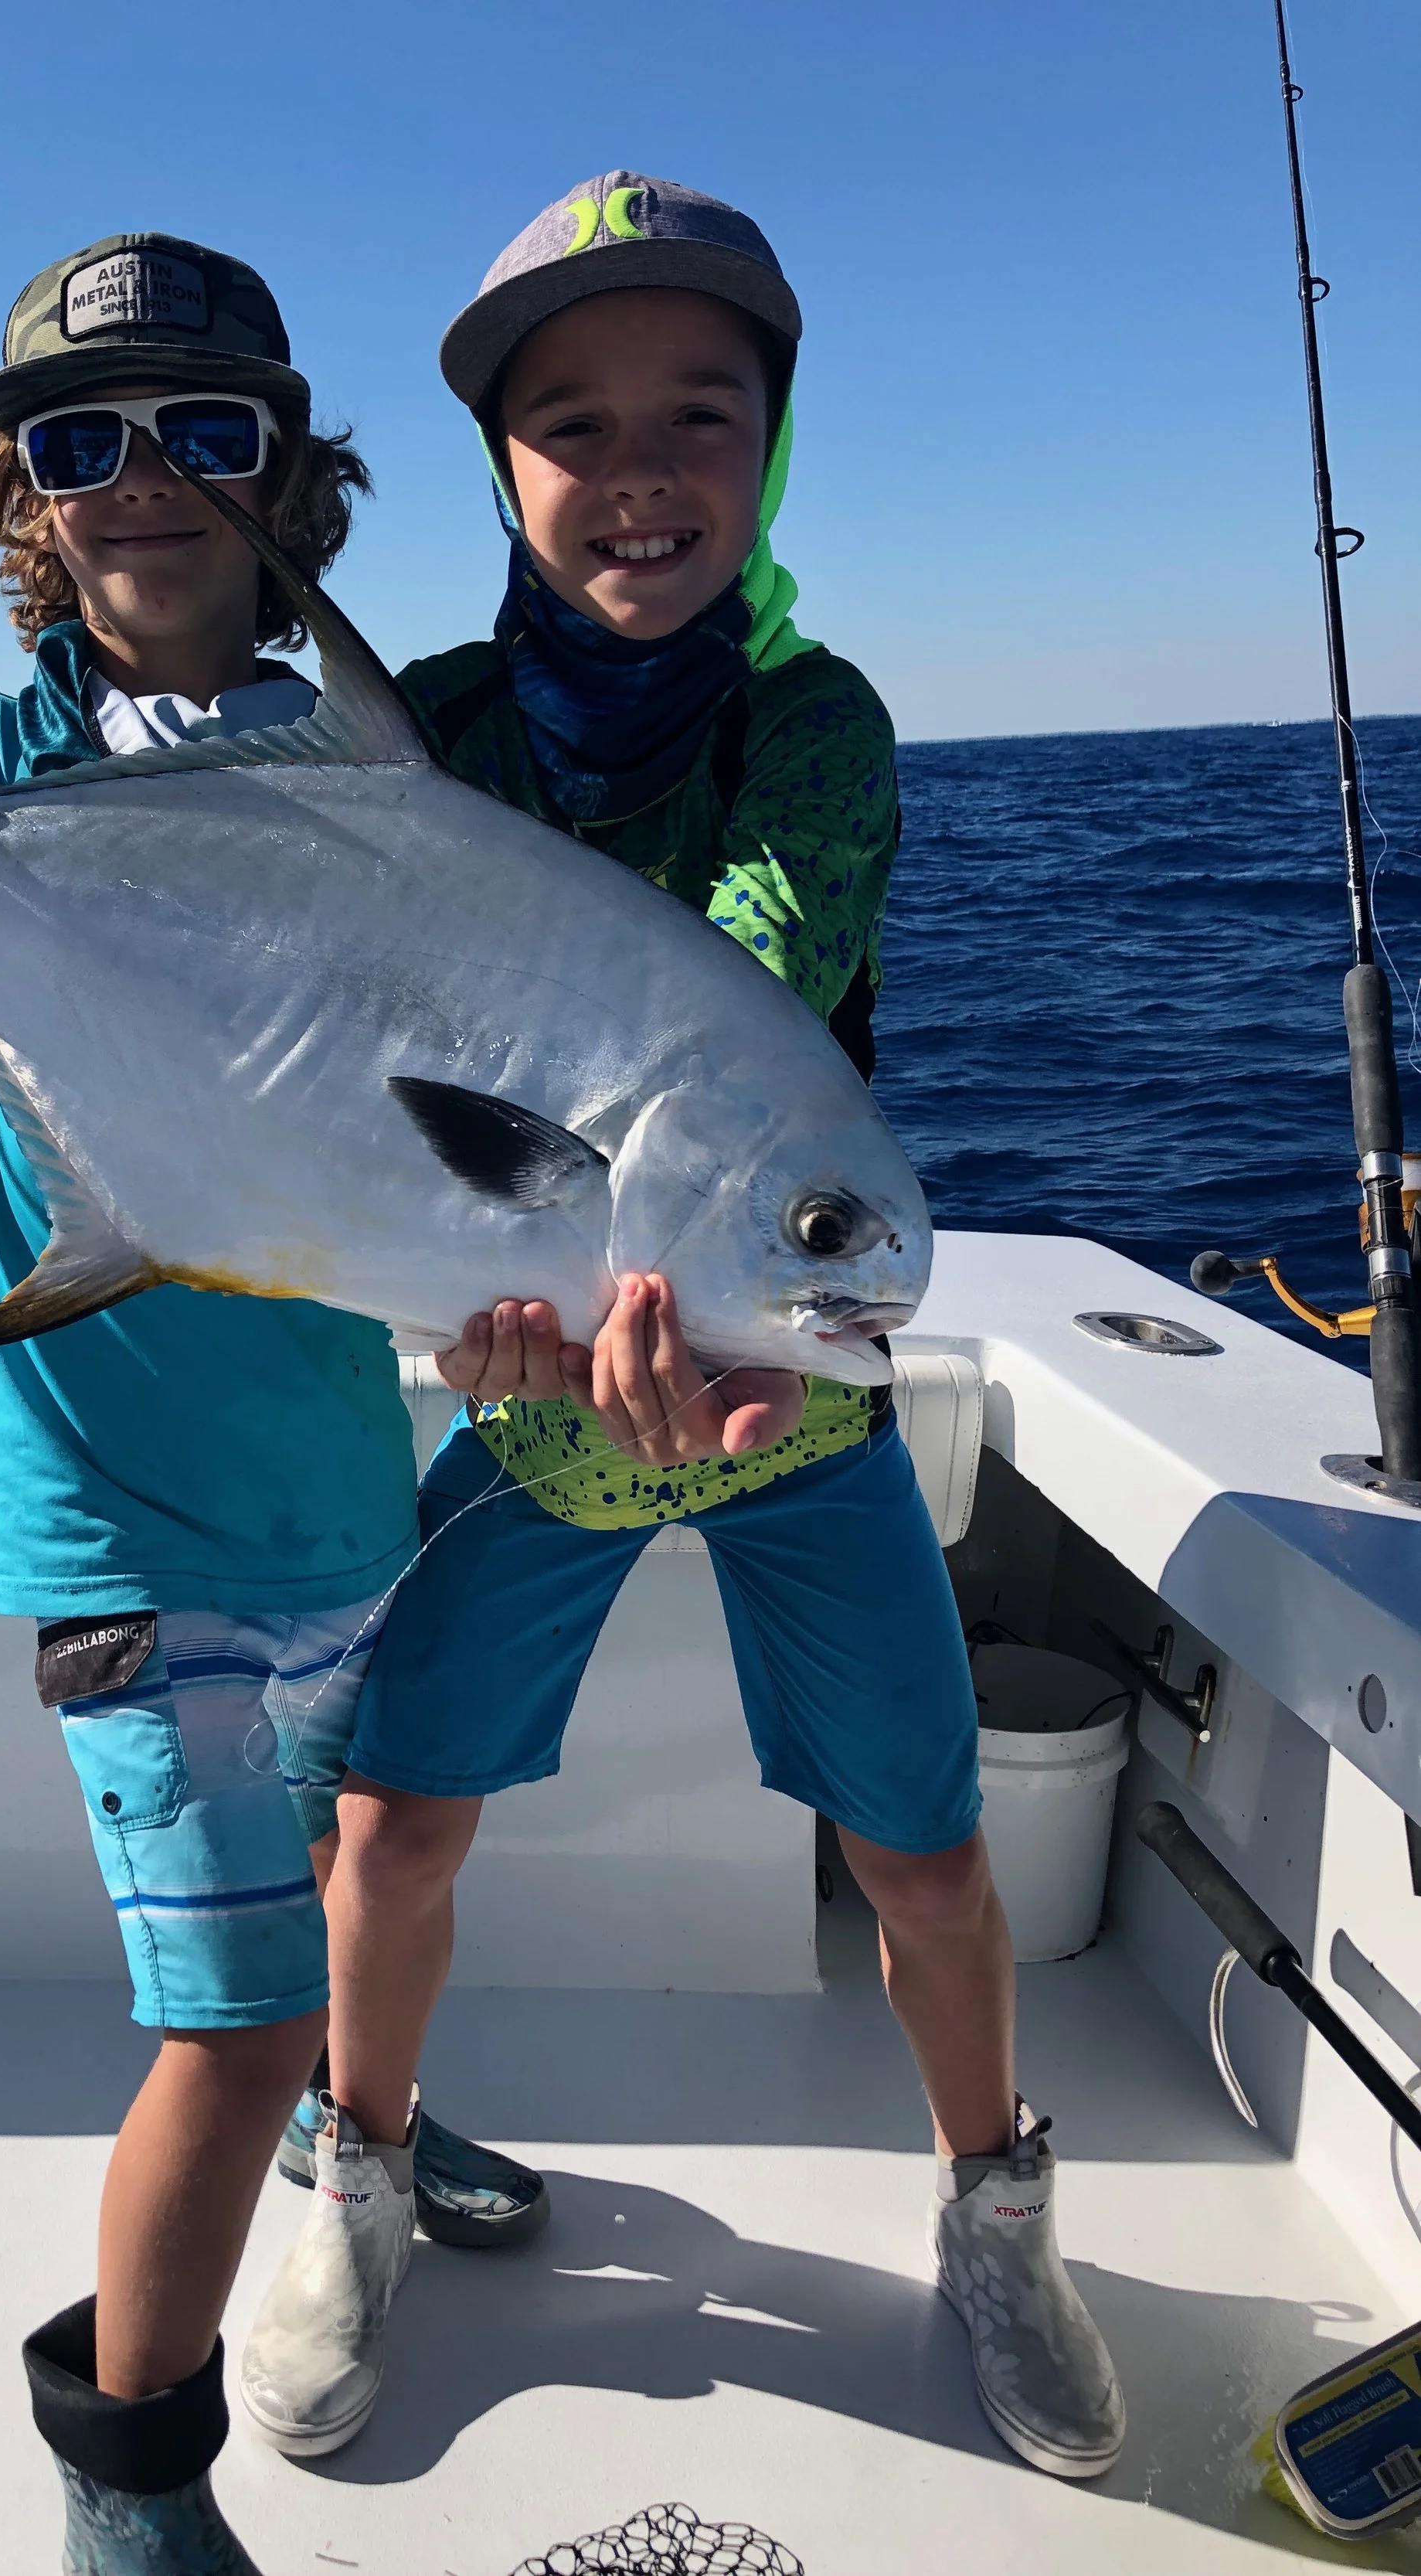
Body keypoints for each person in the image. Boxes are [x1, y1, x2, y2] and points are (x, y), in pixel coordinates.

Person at [239, 175, 1128, 2487]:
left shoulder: (812, 725)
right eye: (572, 424)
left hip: (782, 1382)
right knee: (392, 1824)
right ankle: (355, 2163)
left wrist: (630, 1228)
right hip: (534, 1415)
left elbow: (741, 947)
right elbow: (335, 1054)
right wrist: (469, 1286)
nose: (638, 475)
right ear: (498, 468)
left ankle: (992, 2207)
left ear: (772, 447)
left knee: (924, 1857)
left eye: (698, 418)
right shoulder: (410, 733)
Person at [0, 230, 542, 2576]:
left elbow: (439, 1109)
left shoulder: (371, 763)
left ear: (295, 474)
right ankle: (126, 2488)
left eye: (209, 428)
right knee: (234, 2020)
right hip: (117, 1529)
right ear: (20, 504)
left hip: (341, 1496)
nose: (145, 479)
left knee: (368, 1895)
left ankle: (347, 2132)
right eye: (81, 442)